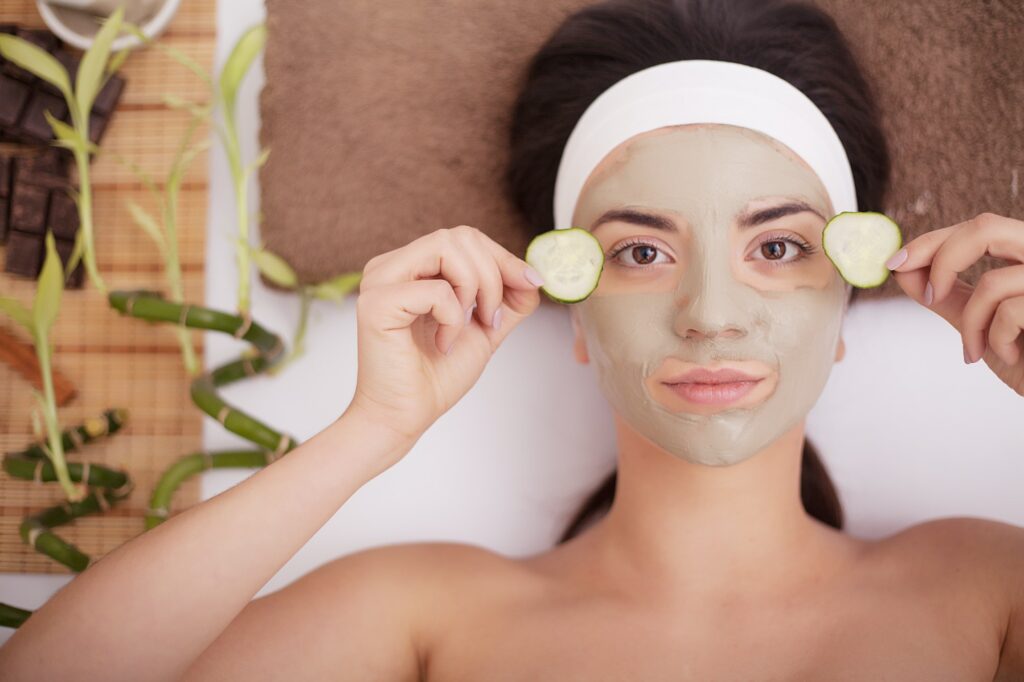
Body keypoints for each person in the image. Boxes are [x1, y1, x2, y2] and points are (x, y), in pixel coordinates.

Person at [2, 0, 1022, 679]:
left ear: (846, 300)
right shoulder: (427, 611)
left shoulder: (985, 595)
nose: (711, 314)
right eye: (639, 254)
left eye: (780, 244)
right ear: (571, 306)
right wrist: (371, 429)